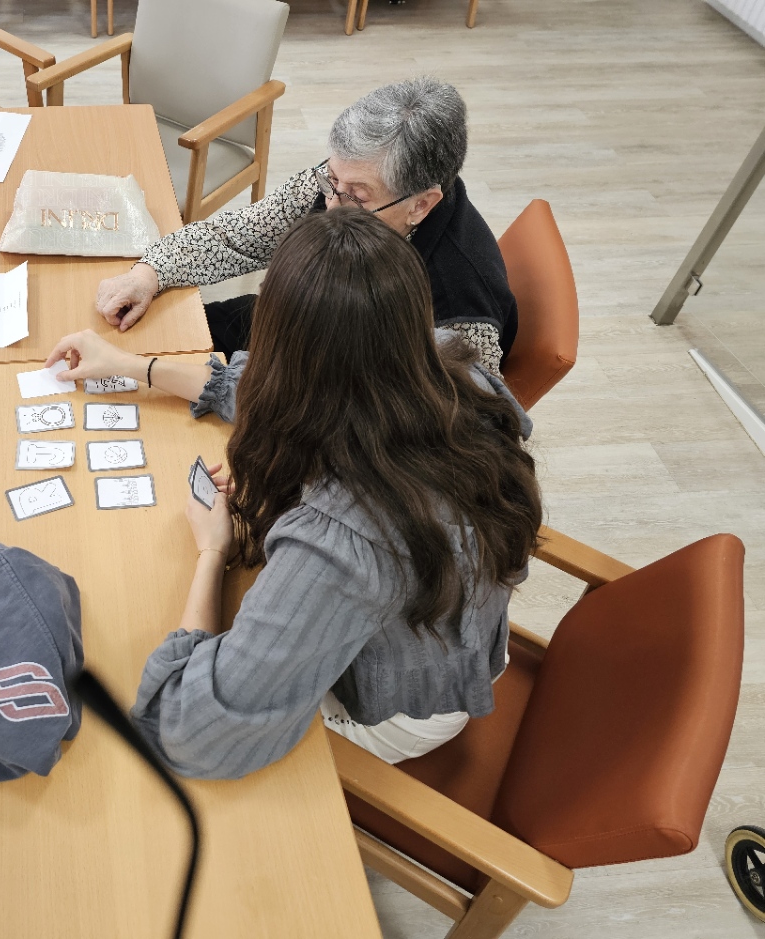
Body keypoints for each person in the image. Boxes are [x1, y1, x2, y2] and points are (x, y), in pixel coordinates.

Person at [44, 208, 542, 777]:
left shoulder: (344, 543)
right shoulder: (452, 365)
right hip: (449, 634)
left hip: (396, 702)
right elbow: (275, 391)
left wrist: (212, 550)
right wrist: (136, 367)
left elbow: (190, 732)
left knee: (109, 709)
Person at [96, 77, 517, 375]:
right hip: (289, 321)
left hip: (350, 388)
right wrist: (150, 272)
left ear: (420, 204)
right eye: (332, 181)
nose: (332, 204)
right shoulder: (340, 183)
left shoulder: (460, 301)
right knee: (152, 340)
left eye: (357, 196)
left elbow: (461, 425)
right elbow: (237, 236)